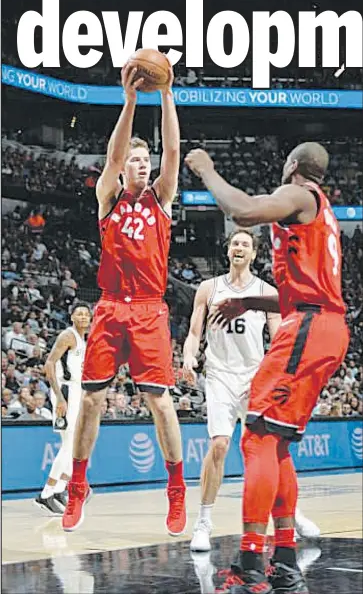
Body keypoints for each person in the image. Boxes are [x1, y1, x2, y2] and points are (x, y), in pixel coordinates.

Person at [185, 142, 349, 594]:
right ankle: (285, 560)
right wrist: (249, 300)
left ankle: (252, 563)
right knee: (274, 444)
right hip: (322, 325)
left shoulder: (299, 194)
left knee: (256, 436)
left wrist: (208, 171)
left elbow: (243, 211)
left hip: (310, 326)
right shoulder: (322, 213)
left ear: (292, 166)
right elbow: (300, 291)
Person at [62, 61, 186, 536]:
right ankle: (77, 486)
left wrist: (168, 94)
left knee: (161, 404)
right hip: (112, 306)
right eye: (134, 159)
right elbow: (112, 158)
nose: (140, 163)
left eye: (144, 159)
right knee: (90, 400)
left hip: (151, 309)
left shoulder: (162, 198)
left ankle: (175, 489)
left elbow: (173, 149)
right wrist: (132, 101)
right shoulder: (109, 198)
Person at [183, 228, 319, 554]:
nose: (239, 247)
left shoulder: (265, 293)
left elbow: (278, 341)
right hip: (219, 376)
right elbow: (193, 332)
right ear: (228, 251)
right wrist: (189, 356)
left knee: (270, 452)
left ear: (254, 254)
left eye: (245, 244)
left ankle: (290, 514)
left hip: (255, 378)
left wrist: (280, 377)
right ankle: (204, 522)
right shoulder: (208, 288)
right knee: (219, 445)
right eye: (235, 243)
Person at [34, 303, 91, 515]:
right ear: (72, 316)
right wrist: (59, 397)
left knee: (74, 446)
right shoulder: (67, 336)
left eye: (86, 314)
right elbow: (49, 364)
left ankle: (59, 489)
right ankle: (46, 494)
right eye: (79, 313)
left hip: (77, 391)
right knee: (69, 446)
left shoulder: (82, 339)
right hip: (65, 392)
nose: (83, 316)